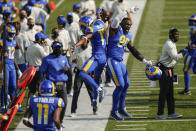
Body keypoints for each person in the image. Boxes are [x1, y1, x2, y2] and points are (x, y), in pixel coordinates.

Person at [106, 11, 152, 121]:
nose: (128, 26)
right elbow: (115, 20)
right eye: (126, 24)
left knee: (126, 84)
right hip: (112, 60)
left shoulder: (128, 35)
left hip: (120, 61)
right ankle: (114, 111)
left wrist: (145, 61)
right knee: (120, 85)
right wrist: (124, 12)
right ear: (121, 24)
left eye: (130, 25)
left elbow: (133, 50)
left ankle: (121, 108)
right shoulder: (115, 30)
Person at [75, 9, 110, 114]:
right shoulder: (99, 23)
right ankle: (94, 100)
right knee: (96, 79)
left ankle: (100, 90)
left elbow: (87, 34)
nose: (82, 28)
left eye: (82, 26)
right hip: (103, 57)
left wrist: (75, 45)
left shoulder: (90, 29)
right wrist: (98, 13)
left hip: (97, 56)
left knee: (82, 73)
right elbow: (99, 22)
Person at [156, 28, 187, 119]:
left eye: (178, 34)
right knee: (163, 93)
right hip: (164, 69)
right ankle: (160, 114)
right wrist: (186, 50)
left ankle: (171, 113)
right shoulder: (169, 44)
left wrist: (184, 50)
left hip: (169, 70)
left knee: (170, 93)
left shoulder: (172, 43)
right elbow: (176, 57)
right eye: (175, 35)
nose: (177, 36)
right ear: (171, 35)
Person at [39, 41, 70, 125]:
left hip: (62, 85)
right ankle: (50, 122)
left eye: (59, 48)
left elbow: (68, 69)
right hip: (52, 85)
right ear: (52, 48)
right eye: (56, 48)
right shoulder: (47, 59)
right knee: (52, 105)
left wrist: (67, 69)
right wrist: (40, 84)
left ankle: (60, 121)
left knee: (64, 103)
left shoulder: (64, 58)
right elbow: (42, 72)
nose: (58, 49)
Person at [0, 25, 22, 112]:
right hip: (4, 65)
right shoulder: (1, 42)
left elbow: (17, 49)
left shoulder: (13, 42)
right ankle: (3, 104)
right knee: (5, 86)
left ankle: (13, 105)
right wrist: (1, 70)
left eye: (13, 34)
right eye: (10, 34)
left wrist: (18, 69)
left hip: (12, 66)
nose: (12, 35)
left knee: (13, 86)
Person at [26, 32, 49, 108]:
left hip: (30, 69)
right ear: (39, 39)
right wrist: (47, 47)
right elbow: (46, 57)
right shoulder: (39, 48)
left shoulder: (29, 47)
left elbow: (27, 59)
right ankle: (40, 104)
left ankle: (28, 105)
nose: (44, 40)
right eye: (43, 39)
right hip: (38, 70)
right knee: (40, 88)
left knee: (31, 90)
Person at [178, 15, 196, 95]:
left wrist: (191, 46)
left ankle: (187, 90)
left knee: (186, 70)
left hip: (192, 54)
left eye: (193, 21)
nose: (191, 22)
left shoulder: (194, 29)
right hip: (193, 52)